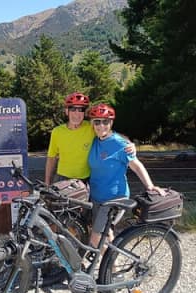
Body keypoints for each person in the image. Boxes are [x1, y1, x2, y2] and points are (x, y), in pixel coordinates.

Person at [87, 103, 166, 249]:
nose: (101, 126)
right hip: (96, 197)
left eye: (106, 122)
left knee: (95, 237)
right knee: (106, 233)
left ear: (111, 123)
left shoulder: (119, 143)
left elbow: (136, 165)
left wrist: (150, 186)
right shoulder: (94, 140)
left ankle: (108, 268)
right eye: (97, 121)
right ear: (92, 123)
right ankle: (114, 269)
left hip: (114, 199)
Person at [45, 92, 135, 185]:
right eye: (73, 109)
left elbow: (111, 134)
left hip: (85, 180)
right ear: (66, 111)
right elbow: (51, 158)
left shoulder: (91, 127)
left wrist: (129, 143)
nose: (77, 113)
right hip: (62, 178)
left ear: (84, 112)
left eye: (81, 109)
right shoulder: (57, 132)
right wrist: (47, 182)